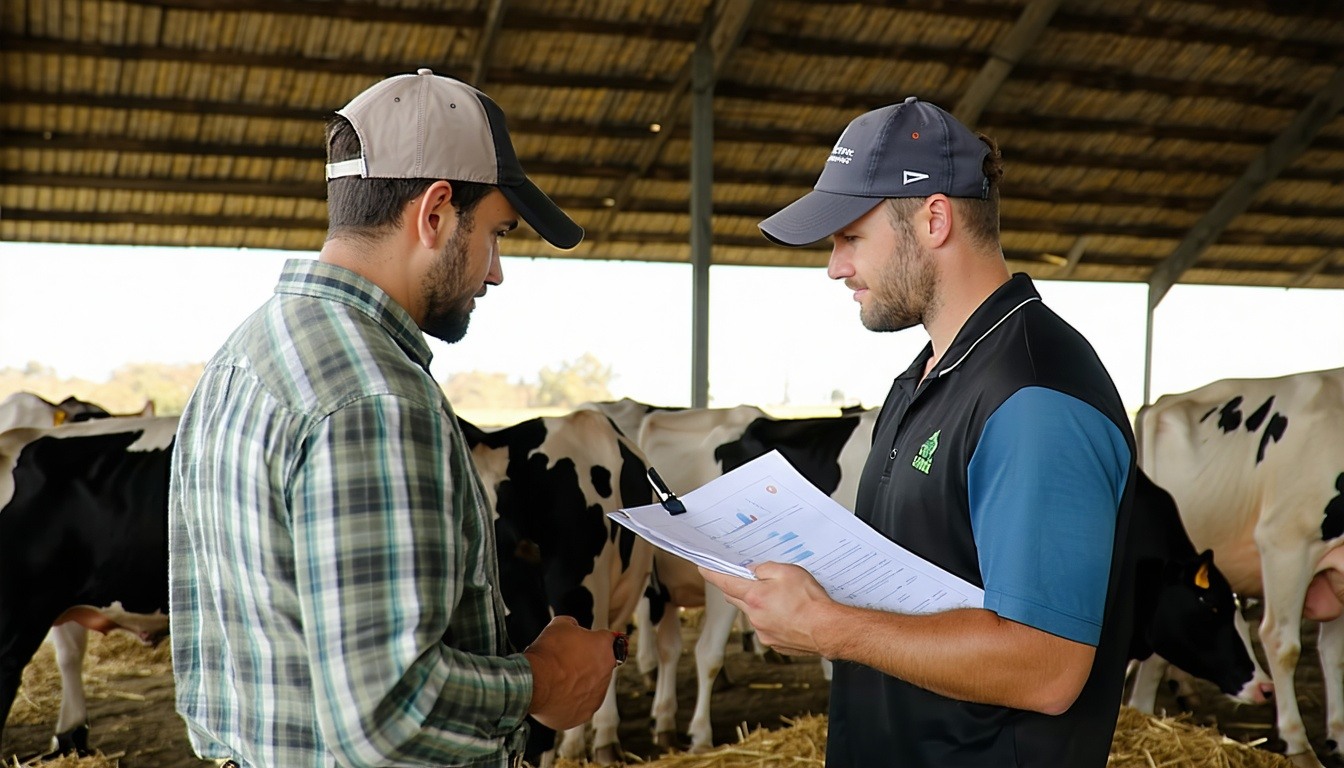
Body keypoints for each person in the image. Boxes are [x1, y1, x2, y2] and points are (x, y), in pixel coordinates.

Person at [168, 69, 621, 768]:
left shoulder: (245, 353)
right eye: (496, 233)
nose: (495, 271)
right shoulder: (377, 398)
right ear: (435, 213)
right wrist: (546, 680)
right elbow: (387, 713)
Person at [700, 97, 1138, 767]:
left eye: (850, 236)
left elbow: (1046, 668)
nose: (834, 266)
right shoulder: (928, 376)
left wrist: (826, 627)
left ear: (934, 219)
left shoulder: (1033, 394)